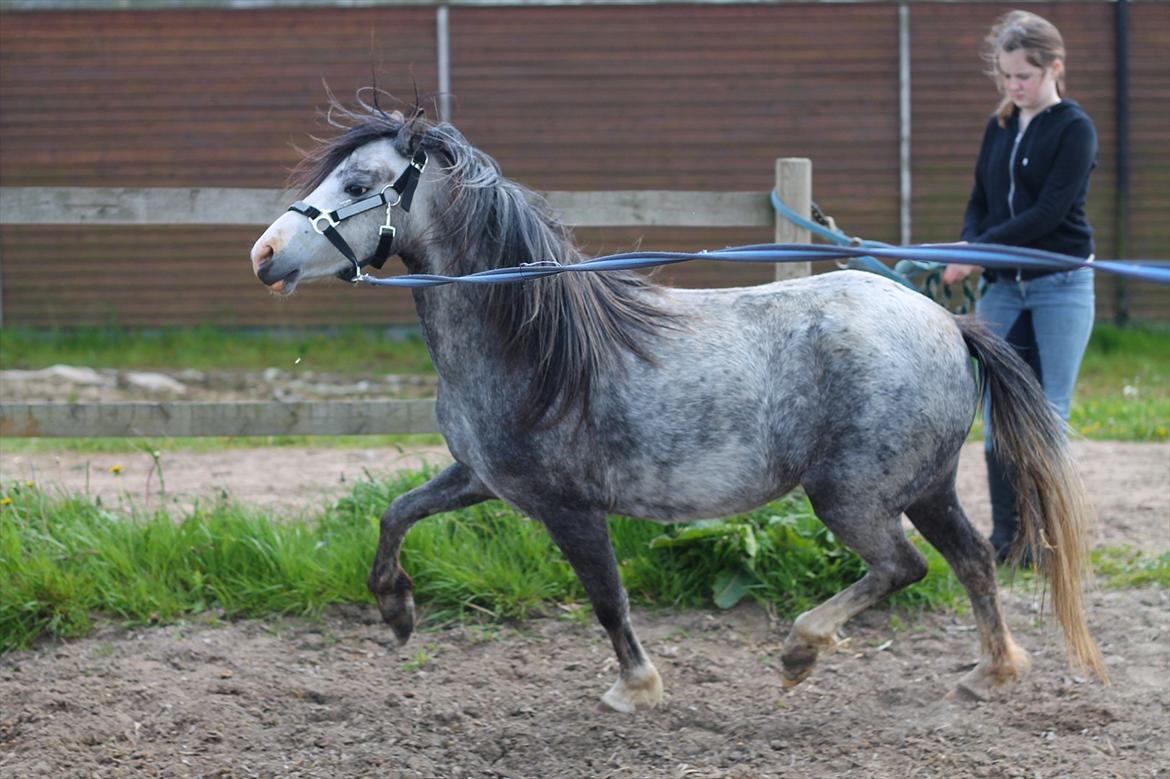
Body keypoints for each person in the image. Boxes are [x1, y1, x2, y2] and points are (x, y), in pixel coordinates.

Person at [942, 10, 1098, 562]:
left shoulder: (1074, 128)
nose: (1015, 86)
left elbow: (1050, 213)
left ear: (1054, 67)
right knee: (998, 409)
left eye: (1024, 76)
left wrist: (976, 252)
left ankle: (1050, 538)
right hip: (1005, 287)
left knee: (1049, 414)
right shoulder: (1001, 125)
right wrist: (969, 243)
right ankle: (1007, 539)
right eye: (1007, 76)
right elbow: (979, 201)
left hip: (1061, 285)